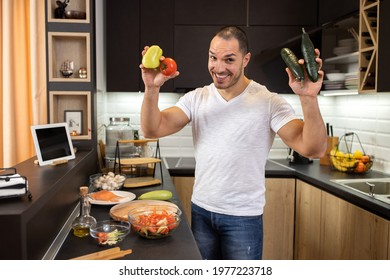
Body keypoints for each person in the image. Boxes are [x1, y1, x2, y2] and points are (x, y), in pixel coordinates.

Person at [139, 26, 327, 260]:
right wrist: (151, 87)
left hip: (243, 218)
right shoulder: (197, 98)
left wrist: (308, 97)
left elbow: (314, 149)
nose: (218, 68)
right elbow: (152, 129)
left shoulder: (268, 102)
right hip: (202, 211)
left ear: (245, 59)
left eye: (229, 59)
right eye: (213, 57)